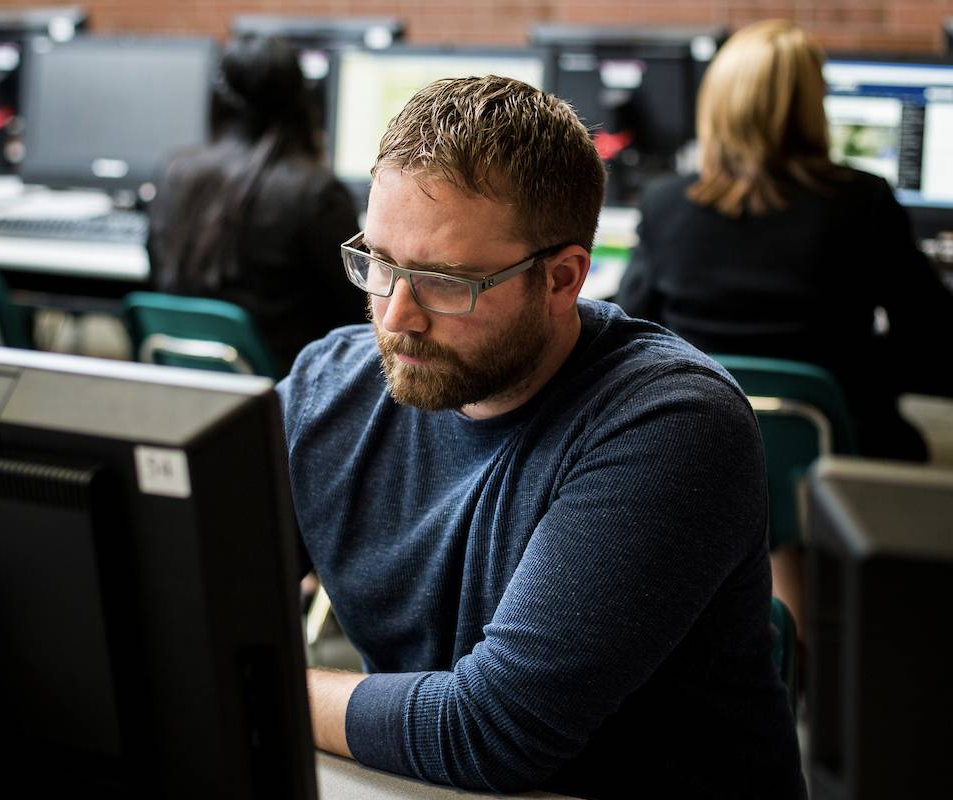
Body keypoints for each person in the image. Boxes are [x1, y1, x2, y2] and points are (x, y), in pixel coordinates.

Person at [278, 75, 805, 798]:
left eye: (441, 281)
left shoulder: (673, 424)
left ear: (562, 279)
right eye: (379, 264)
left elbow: (490, 730)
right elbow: (197, 591)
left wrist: (259, 684)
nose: (396, 315)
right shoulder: (327, 387)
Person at [615, 19, 953, 464]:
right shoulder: (864, 201)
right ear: (814, 104)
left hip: (695, 448)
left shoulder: (664, 203)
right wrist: (853, 366)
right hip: (835, 454)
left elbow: (632, 333)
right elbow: (932, 339)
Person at [146, 34, 363, 375]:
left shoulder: (175, 174)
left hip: (188, 388)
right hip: (291, 394)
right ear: (303, 100)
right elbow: (362, 307)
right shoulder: (314, 192)